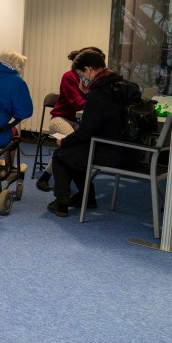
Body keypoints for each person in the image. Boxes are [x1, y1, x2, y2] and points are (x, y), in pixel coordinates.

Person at [47, 49, 137, 217]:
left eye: (81, 74)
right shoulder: (118, 85)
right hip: (127, 150)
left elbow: (85, 131)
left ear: (88, 69)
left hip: (110, 152)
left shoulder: (99, 93)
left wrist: (64, 141)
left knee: (61, 154)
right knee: (75, 153)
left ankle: (61, 203)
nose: (82, 78)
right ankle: (87, 198)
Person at [35, 47, 101, 191]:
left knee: (77, 145)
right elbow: (77, 103)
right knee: (72, 144)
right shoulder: (69, 77)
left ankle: (49, 177)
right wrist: (94, 100)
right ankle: (49, 179)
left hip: (77, 121)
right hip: (60, 118)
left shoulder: (92, 79)